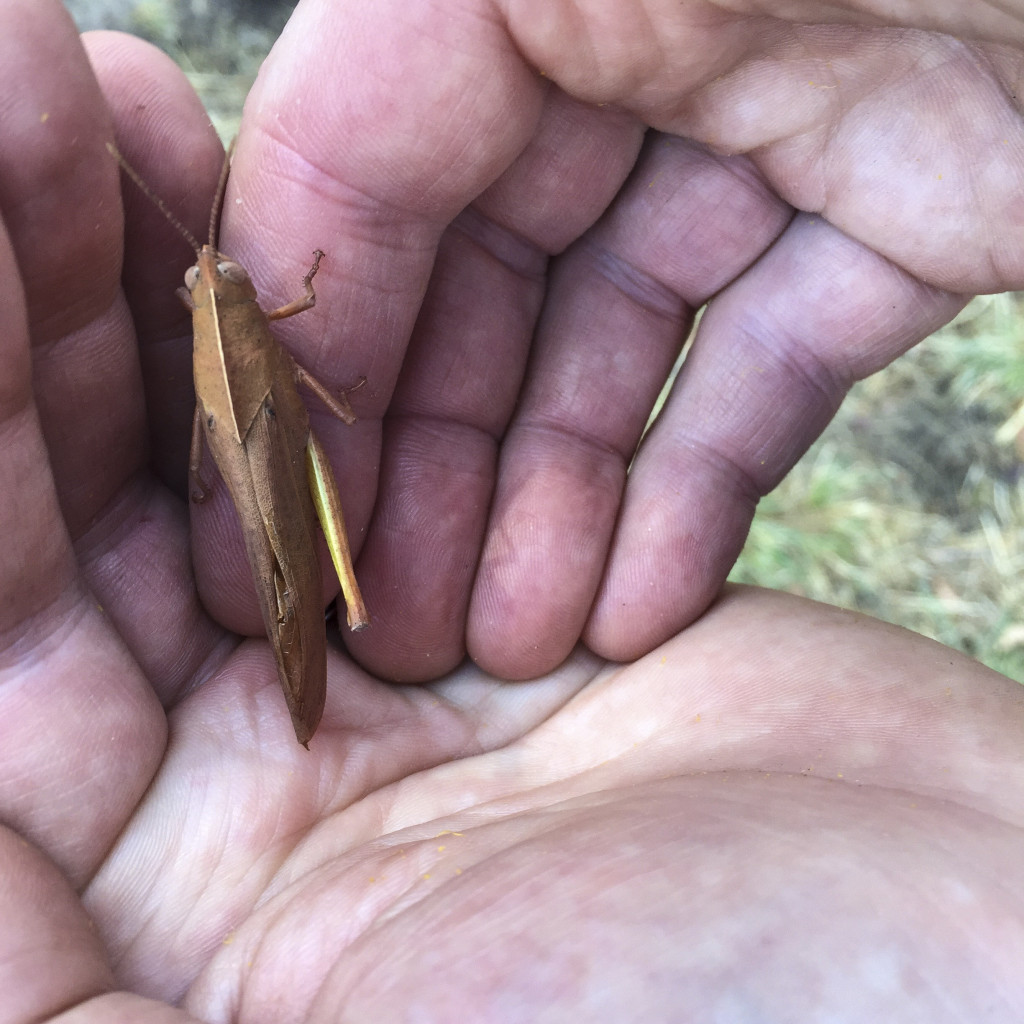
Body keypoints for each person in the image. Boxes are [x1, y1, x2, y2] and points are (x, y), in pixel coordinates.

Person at [3, 0, 1023, 1019]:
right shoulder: (248, 319)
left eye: (210, 278)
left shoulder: (228, 325)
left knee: (275, 485)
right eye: (209, 280)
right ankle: (318, 615)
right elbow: (277, 354)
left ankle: (328, 610)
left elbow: (244, 383)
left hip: (267, 443)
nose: (208, 279)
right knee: (270, 479)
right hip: (261, 434)